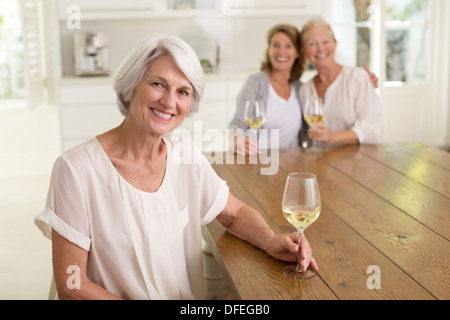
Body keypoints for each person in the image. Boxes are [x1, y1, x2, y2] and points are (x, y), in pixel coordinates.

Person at [34, 35, 318, 300]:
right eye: (158, 84)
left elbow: (233, 213)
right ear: (131, 84)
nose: (169, 101)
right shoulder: (75, 169)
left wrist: (270, 241)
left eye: (182, 91)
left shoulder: (185, 154)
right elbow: (71, 285)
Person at [299, 19, 383, 145]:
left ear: (335, 44)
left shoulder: (358, 78)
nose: (321, 49)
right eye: (312, 44)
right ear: (303, 51)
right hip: (322, 162)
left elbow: (372, 129)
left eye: (325, 42)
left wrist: (332, 136)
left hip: (361, 160)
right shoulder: (304, 90)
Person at [228, 24, 306, 155]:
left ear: (297, 52)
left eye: (288, 46)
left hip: (289, 164)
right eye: (275, 45)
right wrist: (236, 141)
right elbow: (237, 124)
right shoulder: (256, 83)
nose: (281, 51)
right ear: (269, 49)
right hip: (255, 162)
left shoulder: (300, 88)